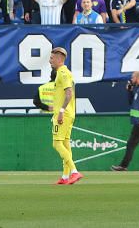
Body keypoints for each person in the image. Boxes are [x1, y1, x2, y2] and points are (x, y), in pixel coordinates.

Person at [43, 46, 82, 185]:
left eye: (52, 58)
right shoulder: (64, 72)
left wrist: (60, 111)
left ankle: (74, 171)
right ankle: (65, 177)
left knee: (56, 143)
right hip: (68, 113)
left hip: (63, 115)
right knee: (66, 143)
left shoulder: (63, 73)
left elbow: (69, 93)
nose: (50, 61)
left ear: (59, 59)